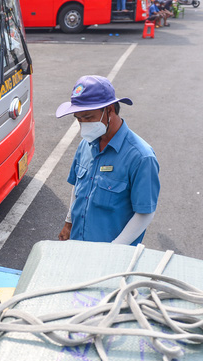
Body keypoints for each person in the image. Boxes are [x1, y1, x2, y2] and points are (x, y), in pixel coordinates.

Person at [55, 75, 160, 246]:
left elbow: (145, 213)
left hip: (113, 256)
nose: (83, 125)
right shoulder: (86, 145)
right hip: (78, 246)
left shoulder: (141, 157)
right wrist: (69, 222)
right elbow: (78, 187)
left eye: (88, 118)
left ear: (109, 110)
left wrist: (113, 250)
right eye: (78, 119)